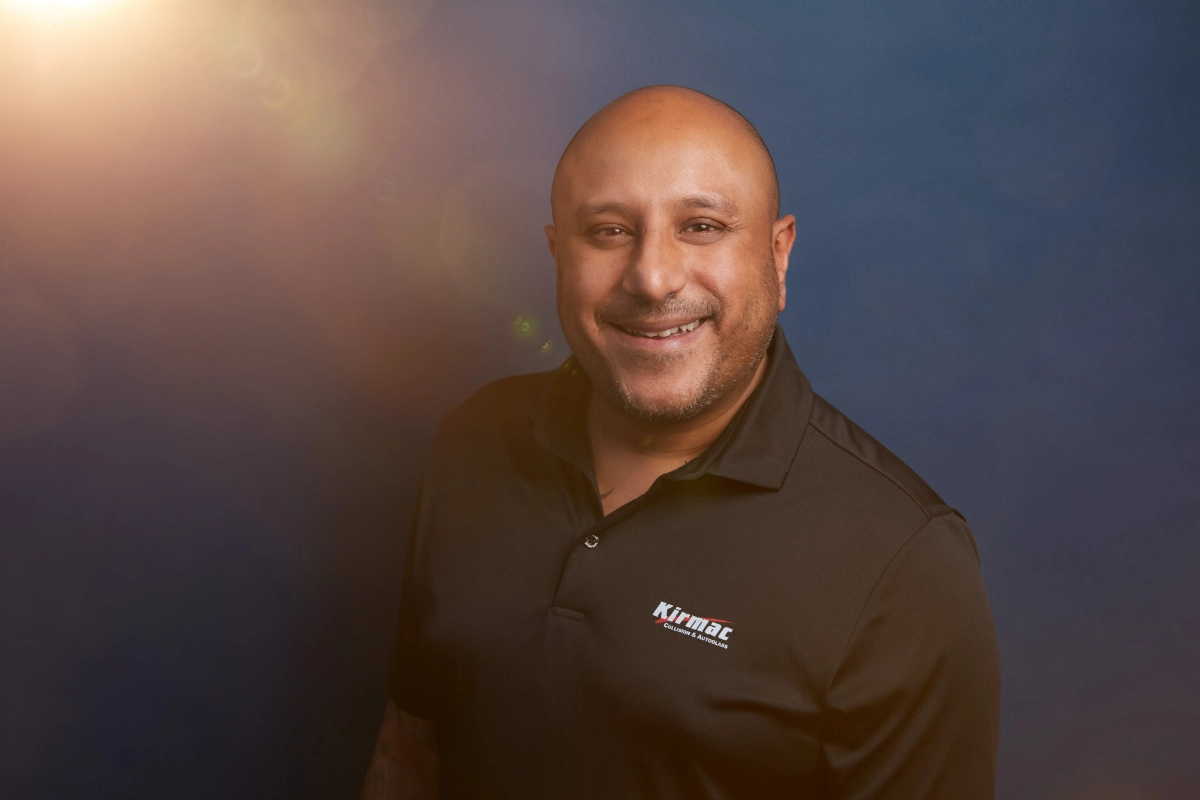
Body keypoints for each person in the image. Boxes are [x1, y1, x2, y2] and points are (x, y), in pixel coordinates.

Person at [361, 85, 1000, 800]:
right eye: (608, 230)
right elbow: (412, 746)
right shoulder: (474, 440)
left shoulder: (903, 559)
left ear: (778, 255)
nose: (654, 278)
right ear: (556, 254)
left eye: (701, 226)